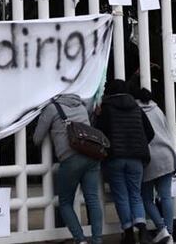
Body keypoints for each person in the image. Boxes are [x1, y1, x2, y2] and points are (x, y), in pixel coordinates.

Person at [33, 93, 104, 244]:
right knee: (92, 199)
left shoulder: (52, 108)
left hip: (71, 157)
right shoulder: (82, 106)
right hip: (92, 155)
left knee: (65, 202)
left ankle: (80, 239)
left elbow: (37, 138)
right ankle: (97, 239)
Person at [95, 79, 155, 244]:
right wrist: (139, 144)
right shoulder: (136, 107)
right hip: (136, 158)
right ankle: (143, 231)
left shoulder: (106, 109)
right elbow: (150, 132)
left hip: (115, 158)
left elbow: (99, 133)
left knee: (121, 196)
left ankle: (128, 233)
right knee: (136, 195)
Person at [135, 88, 176, 244]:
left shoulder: (136, 111)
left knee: (146, 198)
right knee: (166, 196)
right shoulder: (158, 109)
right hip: (167, 155)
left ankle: (162, 228)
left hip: (149, 158)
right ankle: (170, 233)